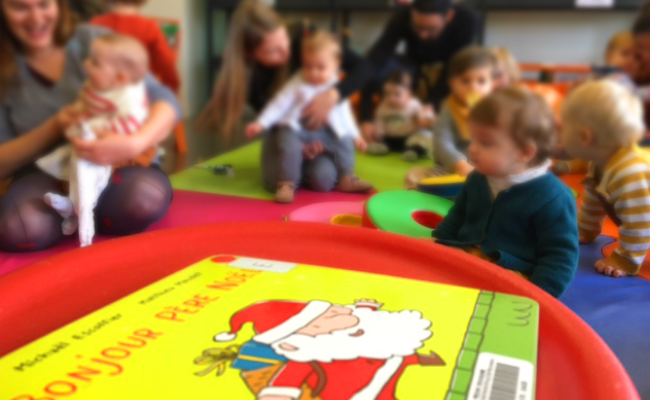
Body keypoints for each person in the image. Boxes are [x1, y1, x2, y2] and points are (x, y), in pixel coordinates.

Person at [0, 0, 180, 253]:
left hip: (120, 162)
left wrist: (133, 143)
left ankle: (84, 212)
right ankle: (81, 210)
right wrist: (55, 127)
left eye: (43, 4)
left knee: (143, 198)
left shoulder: (92, 40)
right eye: (20, 7)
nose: (36, 18)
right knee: (20, 227)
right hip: (47, 171)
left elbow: (164, 100)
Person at [200, 0, 371, 195]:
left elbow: (364, 68)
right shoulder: (250, 78)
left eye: (284, 41)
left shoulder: (305, 37)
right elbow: (276, 114)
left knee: (324, 178)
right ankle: (292, 174)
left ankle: (328, 173)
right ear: (249, 55)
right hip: (288, 131)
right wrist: (298, 147)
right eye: (273, 50)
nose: (285, 52)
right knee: (277, 177)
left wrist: (334, 95)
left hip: (320, 132)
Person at [433, 87, 579, 298]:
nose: (472, 149)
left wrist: (539, 296)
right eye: (473, 138)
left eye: (485, 142)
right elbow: (458, 216)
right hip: (465, 253)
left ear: (524, 152)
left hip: (512, 270)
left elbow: (560, 256)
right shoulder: (478, 177)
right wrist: (438, 245)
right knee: (415, 254)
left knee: (499, 293)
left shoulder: (554, 198)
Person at [37, 34, 156, 247]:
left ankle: (82, 213)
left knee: (92, 172)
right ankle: (75, 208)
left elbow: (129, 128)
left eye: (95, 63)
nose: (86, 65)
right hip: (87, 145)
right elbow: (81, 110)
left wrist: (100, 132)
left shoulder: (131, 97)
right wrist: (76, 122)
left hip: (118, 152)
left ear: (120, 78)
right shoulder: (93, 87)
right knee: (76, 167)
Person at [245, 31, 371, 203]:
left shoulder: (335, 86)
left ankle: (347, 176)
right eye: (308, 66)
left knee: (344, 138)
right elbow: (279, 103)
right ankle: (287, 182)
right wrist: (261, 123)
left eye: (320, 68)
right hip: (294, 128)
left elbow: (345, 115)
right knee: (289, 145)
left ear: (335, 66)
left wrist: (356, 136)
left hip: (322, 133)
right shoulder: (298, 81)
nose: (313, 72)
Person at [561, 80, 650, 278]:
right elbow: (595, 198)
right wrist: (586, 229)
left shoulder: (630, 173)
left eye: (563, 129)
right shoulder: (600, 163)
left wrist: (625, 260)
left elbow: (640, 223)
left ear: (585, 137)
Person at [359, 0, 479, 141]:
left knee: (469, 70)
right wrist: (365, 117)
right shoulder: (403, 15)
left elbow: (454, 67)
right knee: (383, 65)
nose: (423, 35)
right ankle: (391, 125)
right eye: (418, 27)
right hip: (413, 63)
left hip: (449, 66)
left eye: (431, 28)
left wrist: (432, 105)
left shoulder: (467, 19)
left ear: (449, 16)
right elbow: (375, 60)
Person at [91, 0, 180, 93]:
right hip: (139, 90)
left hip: (99, 90)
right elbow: (167, 66)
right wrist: (170, 92)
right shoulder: (149, 27)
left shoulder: (96, 22)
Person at [366, 71, 435, 162]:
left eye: (397, 94)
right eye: (387, 93)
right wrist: (379, 132)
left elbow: (422, 115)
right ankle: (382, 147)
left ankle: (413, 151)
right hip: (390, 137)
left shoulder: (413, 105)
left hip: (409, 136)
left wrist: (427, 117)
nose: (391, 98)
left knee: (420, 140)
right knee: (384, 141)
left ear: (408, 94)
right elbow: (379, 120)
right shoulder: (384, 107)